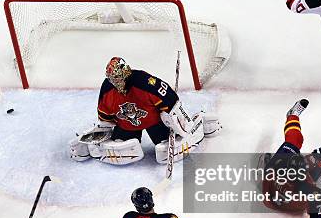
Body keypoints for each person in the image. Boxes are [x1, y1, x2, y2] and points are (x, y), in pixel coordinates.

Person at [70, 57, 221, 165]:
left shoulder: (144, 82)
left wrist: (176, 120)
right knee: (120, 146)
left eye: (116, 78)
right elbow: (105, 118)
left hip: (154, 122)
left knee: (163, 151)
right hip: (126, 125)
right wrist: (98, 135)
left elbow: (171, 100)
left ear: (125, 73)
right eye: (111, 78)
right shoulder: (108, 89)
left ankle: (200, 122)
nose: (114, 82)